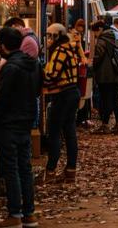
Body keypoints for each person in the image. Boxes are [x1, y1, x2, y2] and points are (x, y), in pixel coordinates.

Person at [0, 27, 40, 228]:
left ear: (3, 46)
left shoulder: (10, 68)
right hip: (26, 121)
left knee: (11, 169)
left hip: (9, 124)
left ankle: (15, 214)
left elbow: (4, 98)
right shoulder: (34, 64)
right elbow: (38, 90)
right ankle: (29, 213)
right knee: (25, 168)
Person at [42, 23, 82, 184]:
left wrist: (41, 73)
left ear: (58, 36)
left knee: (55, 132)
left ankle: (51, 170)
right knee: (69, 131)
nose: (49, 39)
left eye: (52, 36)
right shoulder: (69, 49)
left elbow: (52, 74)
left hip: (63, 94)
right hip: (72, 93)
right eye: (48, 36)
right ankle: (70, 170)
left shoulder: (60, 51)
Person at [91, 20, 118, 134]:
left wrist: (92, 64)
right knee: (115, 99)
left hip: (105, 74)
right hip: (116, 72)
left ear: (99, 29)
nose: (94, 35)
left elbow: (98, 56)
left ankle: (104, 125)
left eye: (94, 32)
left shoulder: (102, 40)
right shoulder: (115, 36)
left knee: (106, 99)